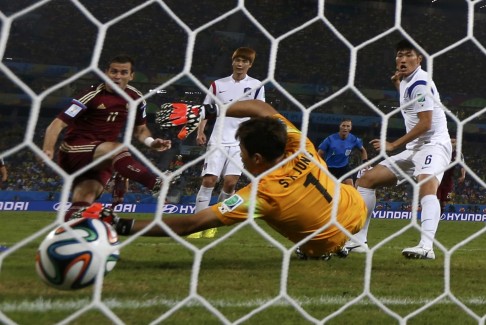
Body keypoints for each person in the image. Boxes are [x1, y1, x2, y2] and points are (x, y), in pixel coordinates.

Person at [75, 100, 367, 259]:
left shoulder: (262, 194)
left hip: (323, 244)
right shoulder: (299, 144)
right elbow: (261, 110)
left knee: (313, 241)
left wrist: (118, 223)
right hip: (356, 210)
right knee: (355, 184)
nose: (237, 157)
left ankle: (328, 249)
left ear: (256, 159)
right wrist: (208, 111)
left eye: (241, 152)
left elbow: (193, 223)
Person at [348, 39, 452, 259]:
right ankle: (358, 242)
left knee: (426, 186)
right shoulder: (406, 81)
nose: (403, 59)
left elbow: (425, 123)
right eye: (399, 56)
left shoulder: (420, 83)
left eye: (408, 55)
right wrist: (398, 85)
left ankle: (426, 247)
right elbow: (411, 105)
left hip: (434, 144)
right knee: (367, 180)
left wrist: (393, 145)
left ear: (419, 59)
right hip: (415, 148)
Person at [42, 55, 171, 221]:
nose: (118, 76)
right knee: (117, 148)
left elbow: (140, 130)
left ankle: (68, 233)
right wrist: (48, 149)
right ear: (106, 73)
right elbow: (57, 123)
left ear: (131, 76)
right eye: (114, 71)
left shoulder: (136, 98)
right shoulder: (92, 94)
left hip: (103, 156)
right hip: (75, 150)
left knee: (84, 199)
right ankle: (155, 183)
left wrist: (152, 142)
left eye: (123, 72)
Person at [189, 47, 265, 239]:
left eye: (244, 61)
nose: (240, 64)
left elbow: (260, 111)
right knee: (209, 180)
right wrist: (200, 131)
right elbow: (206, 110)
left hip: (241, 142)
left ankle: (215, 222)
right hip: (218, 139)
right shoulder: (217, 85)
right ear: (232, 62)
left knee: (230, 184)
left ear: (250, 64)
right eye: (237, 60)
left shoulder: (256, 85)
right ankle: (197, 224)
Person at [317, 118, 368, 186]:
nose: (345, 128)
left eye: (348, 126)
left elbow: (363, 150)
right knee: (328, 189)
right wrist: (320, 165)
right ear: (340, 126)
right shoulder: (330, 139)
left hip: (344, 167)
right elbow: (319, 153)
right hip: (330, 168)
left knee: (350, 188)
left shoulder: (354, 139)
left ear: (351, 128)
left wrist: (365, 163)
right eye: (343, 125)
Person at [437, 138, 465, 215]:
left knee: (444, 202)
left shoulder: (458, 154)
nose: (454, 143)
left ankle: (440, 213)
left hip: (448, 181)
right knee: (436, 199)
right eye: (452, 141)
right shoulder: (442, 152)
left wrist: (463, 176)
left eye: (455, 141)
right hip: (438, 178)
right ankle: (433, 214)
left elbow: (462, 166)